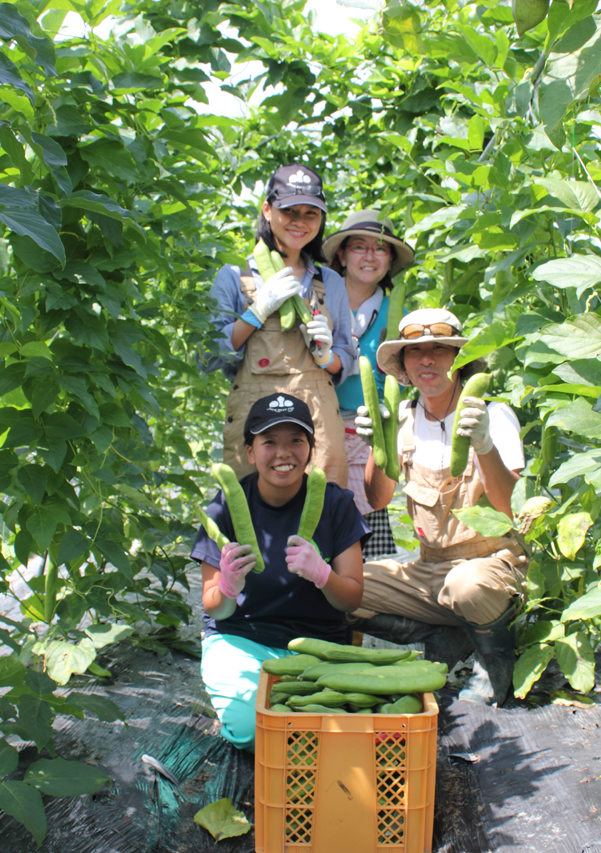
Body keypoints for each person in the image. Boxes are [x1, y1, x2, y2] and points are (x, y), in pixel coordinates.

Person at [352, 309, 528, 705]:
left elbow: (511, 509)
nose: (426, 360)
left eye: (439, 350)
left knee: (467, 586)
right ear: (402, 365)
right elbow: (377, 499)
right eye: (415, 352)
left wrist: (484, 445)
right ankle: (446, 635)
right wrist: (376, 446)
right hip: (429, 568)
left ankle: (495, 661)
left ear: (459, 360)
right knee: (343, 587)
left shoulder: (492, 415)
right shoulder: (403, 417)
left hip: (492, 565)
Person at [192, 393, 369, 750]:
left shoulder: (336, 504)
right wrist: (227, 586)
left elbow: (351, 598)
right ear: (250, 452)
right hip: (241, 640)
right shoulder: (224, 505)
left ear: (310, 448)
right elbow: (215, 608)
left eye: (296, 440)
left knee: (330, 735)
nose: (283, 453)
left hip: (319, 646)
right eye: (269, 441)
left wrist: (323, 574)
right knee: (252, 732)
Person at [206, 163, 355, 487]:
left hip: (318, 420)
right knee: (251, 517)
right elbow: (210, 353)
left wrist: (327, 357)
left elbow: (346, 354)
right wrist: (255, 313)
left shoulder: (329, 281)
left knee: (322, 512)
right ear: (267, 210)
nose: (300, 222)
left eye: (310, 213)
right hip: (254, 418)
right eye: (289, 211)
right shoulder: (233, 277)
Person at [322, 210, 416, 561]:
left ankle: (363, 599)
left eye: (380, 249)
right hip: (320, 424)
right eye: (358, 247)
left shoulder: (398, 313)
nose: (369, 256)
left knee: (365, 518)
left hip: (369, 430)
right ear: (342, 256)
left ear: (390, 260)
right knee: (315, 510)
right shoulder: (318, 301)